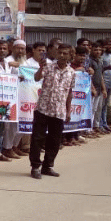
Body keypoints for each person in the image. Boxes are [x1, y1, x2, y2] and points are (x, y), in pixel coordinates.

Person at [28, 43, 76, 179]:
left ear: (70, 55)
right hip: (43, 109)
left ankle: (48, 166)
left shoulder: (71, 72)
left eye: (65, 53)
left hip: (59, 111)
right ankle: (35, 167)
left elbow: (70, 92)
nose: (61, 55)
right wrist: (40, 68)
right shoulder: (48, 67)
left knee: (54, 141)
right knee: (37, 139)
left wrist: (68, 111)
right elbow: (37, 78)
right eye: (60, 53)